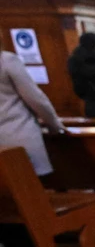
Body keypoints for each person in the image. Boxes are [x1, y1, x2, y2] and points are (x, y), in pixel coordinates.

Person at [0, 43, 65, 176]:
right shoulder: (6, 60)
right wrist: (54, 124)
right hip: (17, 135)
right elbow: (35, 99)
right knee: (31, 188)